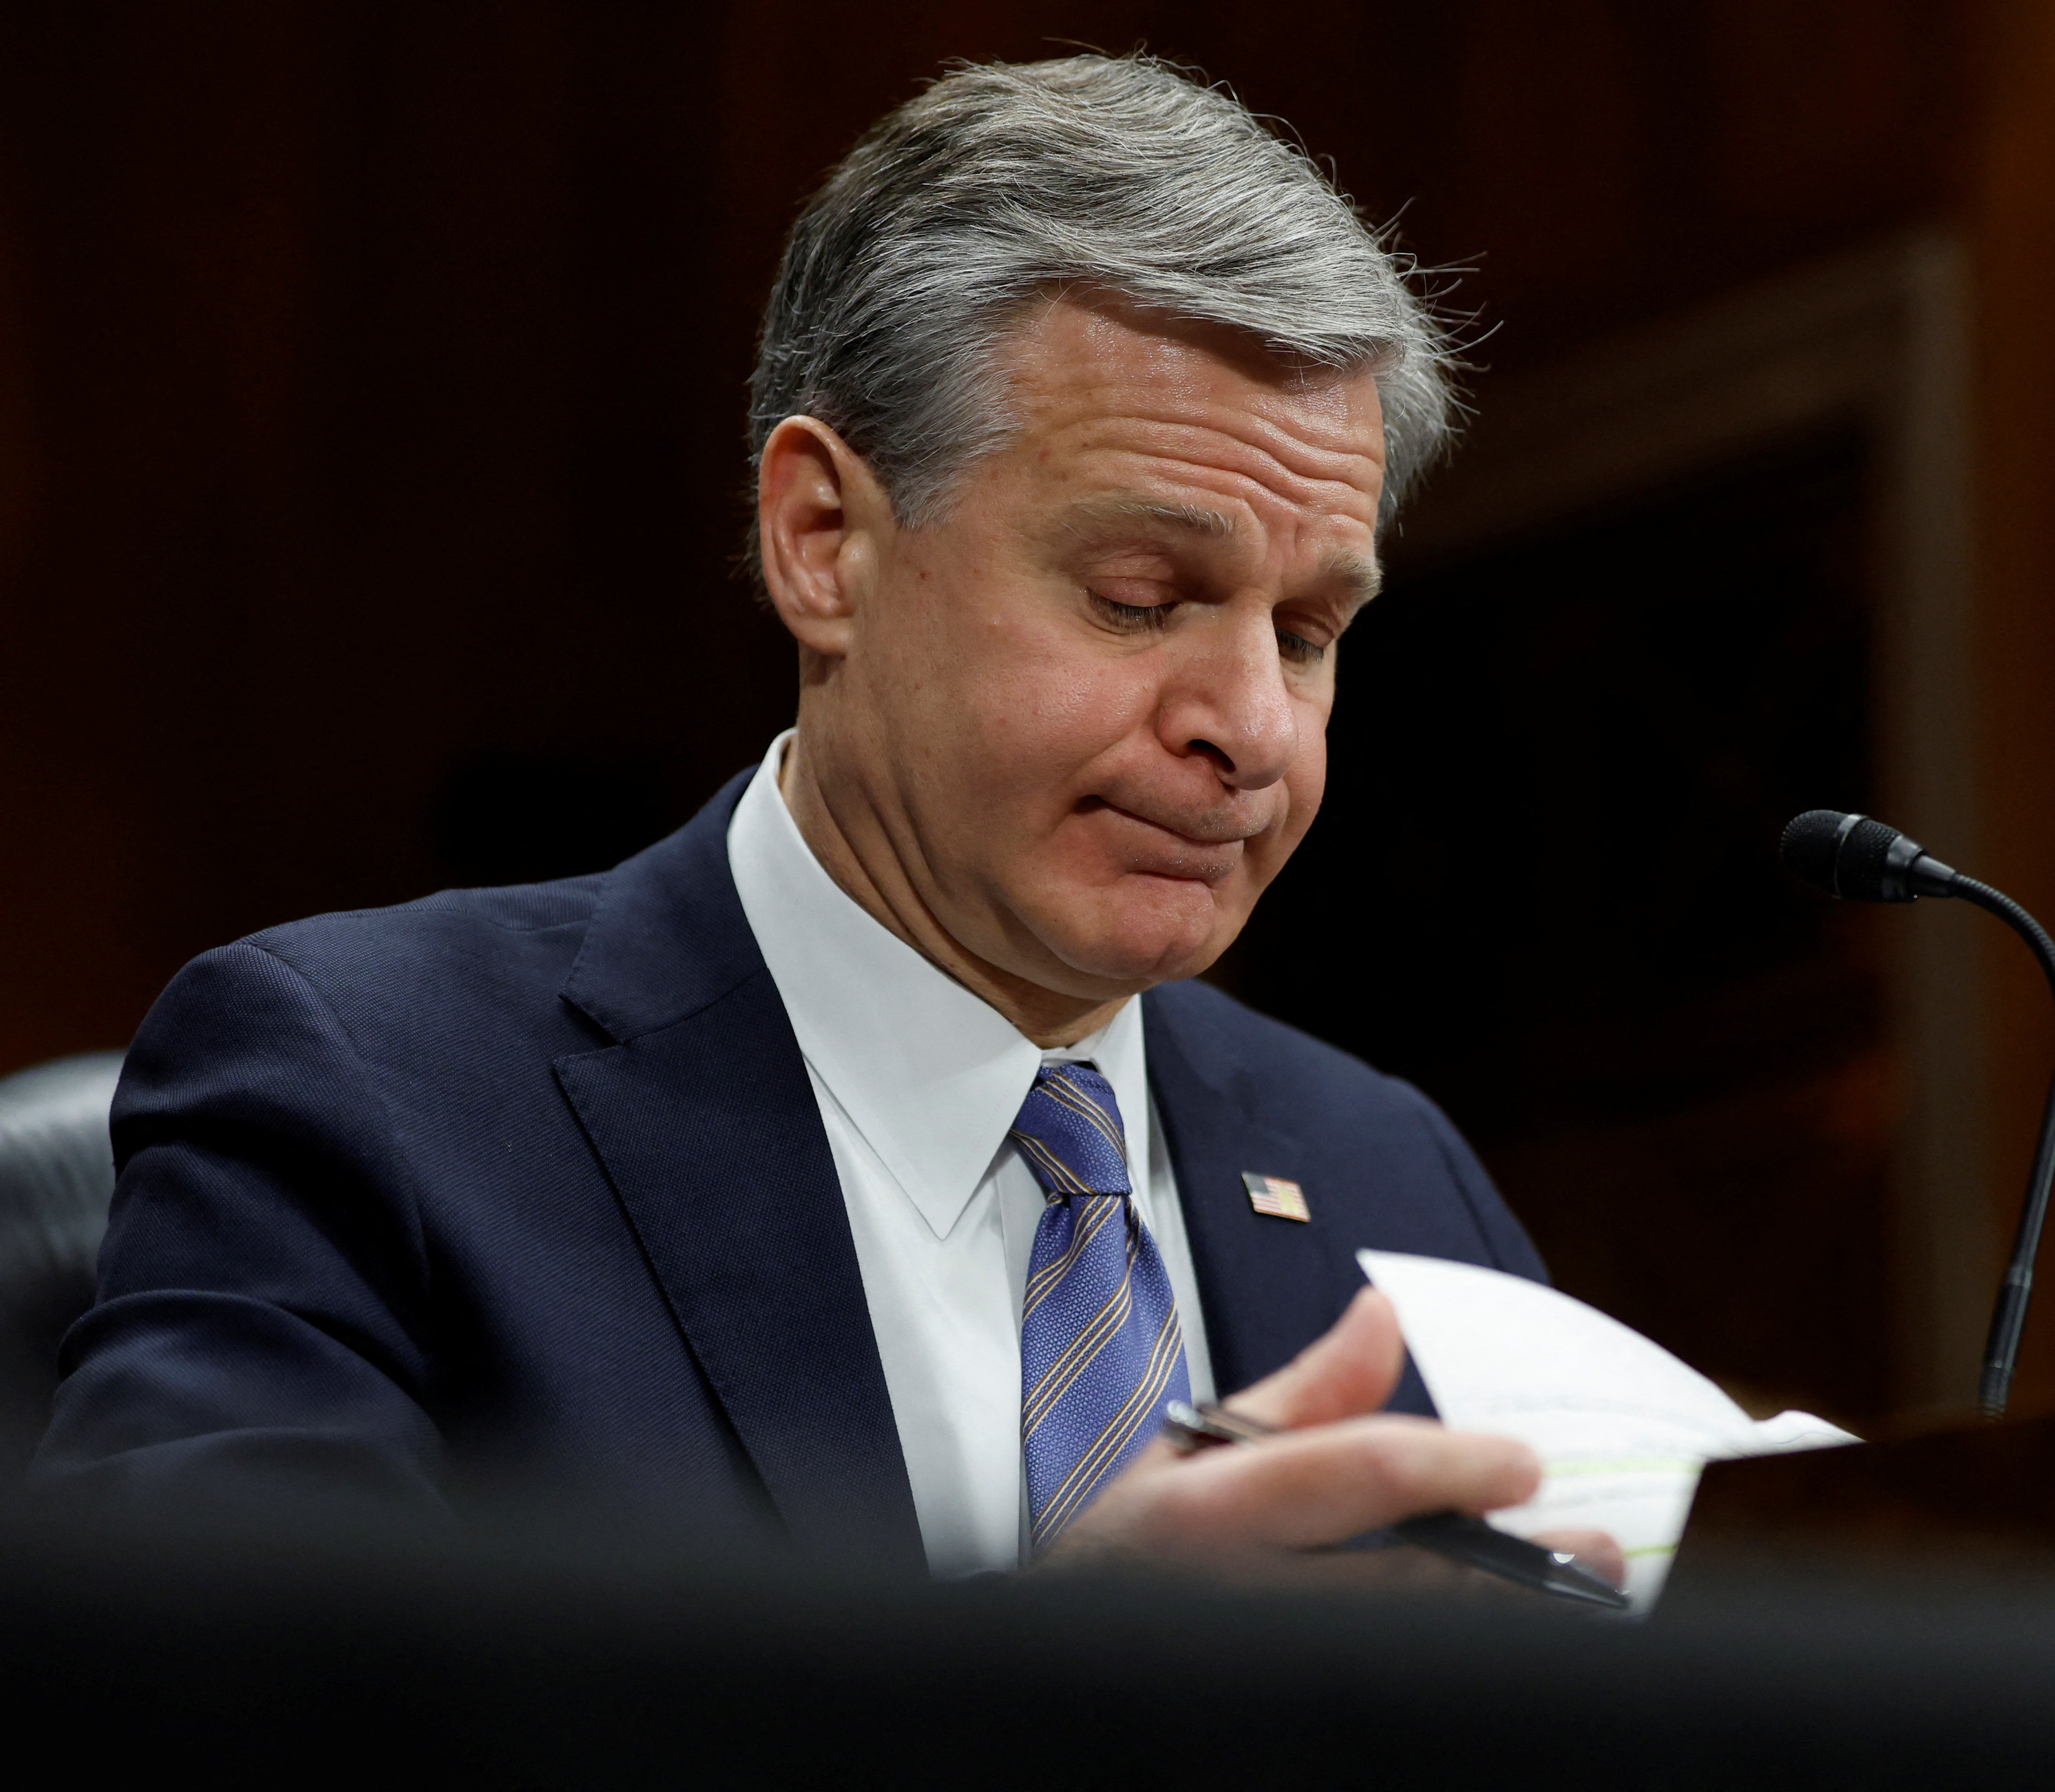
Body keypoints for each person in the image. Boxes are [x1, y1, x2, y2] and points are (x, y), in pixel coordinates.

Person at [36, 54, 1619, 1590]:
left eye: (1304, 635)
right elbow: (197, 1735)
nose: (1251, 728)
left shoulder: (1395, 1179)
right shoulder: (364, 1097)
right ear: (822, 543)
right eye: (1140, 599)